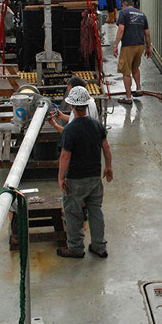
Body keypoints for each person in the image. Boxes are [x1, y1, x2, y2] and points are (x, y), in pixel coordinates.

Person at [57, 86, 113, 259]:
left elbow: (65, 156)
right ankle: (99, 246)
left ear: (72, 107)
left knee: (73, 212)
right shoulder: (97, 125)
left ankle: (75, 247)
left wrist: (60, 178)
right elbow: (106, 147)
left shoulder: (70, 130)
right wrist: (108, 167)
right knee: (96, 210)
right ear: (87, 105)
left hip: (76, 179)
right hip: (95, 178)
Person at [113, 0, 151, 105]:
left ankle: (128, 97)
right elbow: (147, 33)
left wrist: (115, 45)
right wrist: (148, 47)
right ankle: (138, 89)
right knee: (135, 67)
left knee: (126, 71)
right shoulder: (142, 14)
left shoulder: (123, 12)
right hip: (140, 45)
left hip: (128, 45)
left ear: (123, 5)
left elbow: (121, 29)